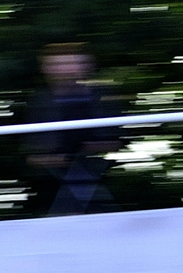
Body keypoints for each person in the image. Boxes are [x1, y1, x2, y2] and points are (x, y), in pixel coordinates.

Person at [23, 43, 121, 216]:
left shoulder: (99, 96)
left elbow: (114, 141)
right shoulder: (40, 102)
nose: (65, 69)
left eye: (70, 63)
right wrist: (62, 159)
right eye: (58, 64)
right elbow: (34, 155)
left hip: (96, 173)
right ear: (46, 68)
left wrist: (83, 155)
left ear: (86, 66)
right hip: (52, 182)